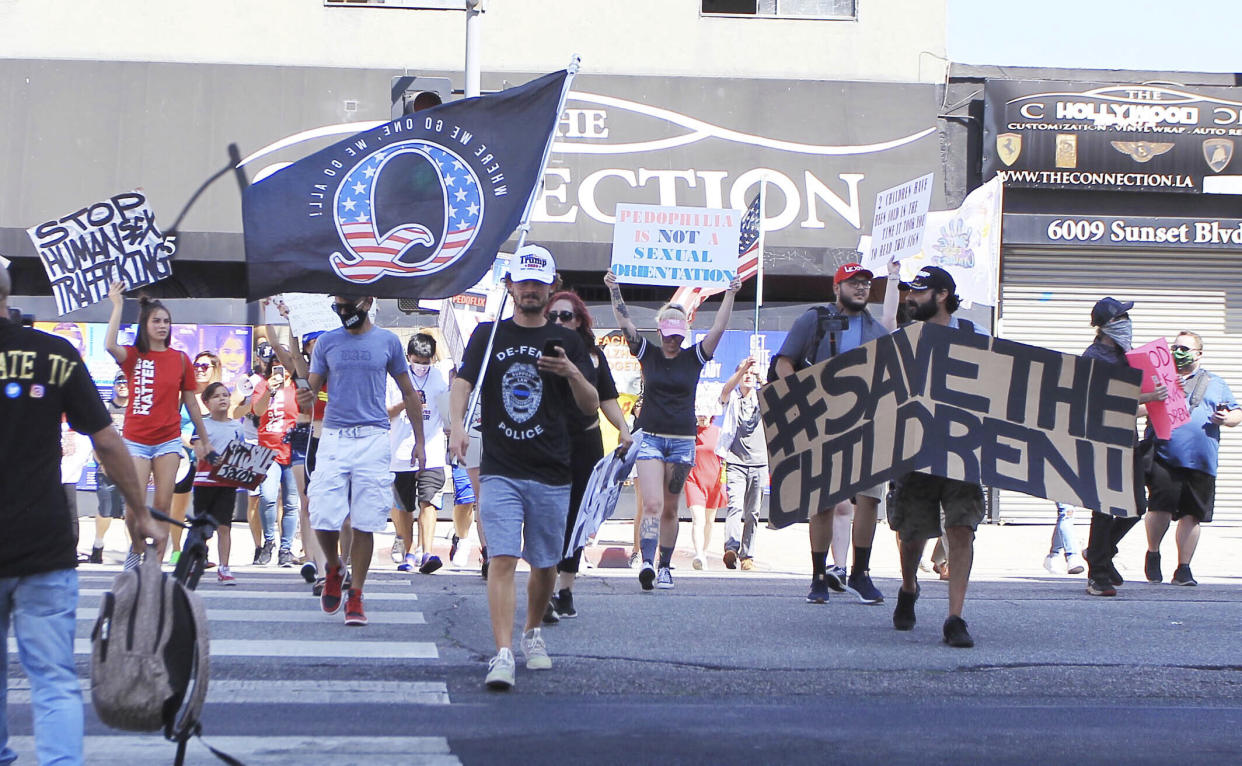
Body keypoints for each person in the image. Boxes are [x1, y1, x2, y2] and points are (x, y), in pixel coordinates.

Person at [0, 266, 163, 765]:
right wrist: (139, 511)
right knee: (52, 678)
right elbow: (108, 440)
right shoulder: (55, 355)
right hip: (44, 542)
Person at [449, 245, 599, 690]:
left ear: (551, 287)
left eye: (538, 282)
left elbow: (591, 405)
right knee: (502, 557)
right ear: (509, 285)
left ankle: (532, 631)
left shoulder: (569, 341)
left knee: (545, 563)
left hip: (553, 468)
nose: (530, 290)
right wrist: (457, 425)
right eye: (523, 281)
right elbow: (462, 382)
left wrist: (572, 371)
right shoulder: (487, 335)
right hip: (501, 466)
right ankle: (503, 652)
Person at [605, 270, 741, 591]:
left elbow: (719, 328)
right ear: (660, 330)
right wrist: (615, 290)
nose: (671, 339)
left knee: (670, 507)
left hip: (682, 443)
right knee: (651, 503)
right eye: (667, 332)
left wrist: (731, 293)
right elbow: (625, 324)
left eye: (677, 333)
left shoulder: (694, 358)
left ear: (684, 333)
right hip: (650, 437)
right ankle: (649, 563)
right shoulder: (648, 353)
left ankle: (665, 566)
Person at [773, 261, 899, 605]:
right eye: (853, 282)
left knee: (870, 500)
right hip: (824, 425)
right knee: (824, 502)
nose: (860, 288)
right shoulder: (813, 320)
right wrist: (799, 395)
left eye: (865, 283)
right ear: (836, 287)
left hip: (866, 425)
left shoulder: (878, 331)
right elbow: (784, 361)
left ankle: (860, 572)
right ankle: (817, 576)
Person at [295, 295, 425, 627]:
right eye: (338, 304)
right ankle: (335, 566)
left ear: (367, 302)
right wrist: (304, 395)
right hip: (335, 436)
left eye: (349, 303)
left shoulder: (388, 341)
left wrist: (420, 442)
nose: (343, 310)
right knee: (321, 513)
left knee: (365, 520)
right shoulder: (326, 342)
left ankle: (356, 594)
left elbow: (409, 392)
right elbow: (310, 389)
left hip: (373, 437)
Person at [887, 266, 988, 647]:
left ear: (942, 295)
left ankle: (955, 618)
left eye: (919, 292)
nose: (911, 298)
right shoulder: (902, 338)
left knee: (961, 528)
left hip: (963, 450)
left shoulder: (974, 338)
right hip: (915, 451)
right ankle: (909, 587)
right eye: (910, 292)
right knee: (911, 534)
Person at [104, 279, 214, 561]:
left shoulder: (180, 359)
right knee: (133, 508)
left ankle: (155, 561)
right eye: (156, 321)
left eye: (166, 321)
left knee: (163, 505)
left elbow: (191, 401)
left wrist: (203, 438)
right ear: (145, 324)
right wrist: (117, 306)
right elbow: (109, 345)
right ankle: (137, 551)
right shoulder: (133, 355)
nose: (163, 325)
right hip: (135, 441)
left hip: (168, 441)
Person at [545, 290, 633, 621]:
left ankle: (564, 589)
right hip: (548, 445)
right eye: (552, 316)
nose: (558, 322)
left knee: (577, 520)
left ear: (579, 319)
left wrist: (624, 429)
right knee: (551, 517)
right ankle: (547, 588)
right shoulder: (541, 349)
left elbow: (607, 397)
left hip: (585, 442)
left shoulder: (594, 355)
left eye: (565, 316)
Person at [1079, 298, 1166, 597]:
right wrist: (1146, 396)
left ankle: (1098, 551)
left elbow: (1135, 402)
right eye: (1121, 318)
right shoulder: (1093, 358)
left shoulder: (1128, 357)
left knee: (1136, 507)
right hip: (1103, 440)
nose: (1127, 323)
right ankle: (1098, 574)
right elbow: (1098, 401)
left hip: (1127, 440)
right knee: (1104, 507)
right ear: (1105, 326)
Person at [1143, 330, 1241, 586]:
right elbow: (1136, 409)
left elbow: (1236, 414)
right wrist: (1157, 395)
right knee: (1159, 507)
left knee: (1192, 515)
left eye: (1185, 348)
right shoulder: (1160, 379)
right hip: (1165, 455)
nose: (1178, 352)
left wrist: (1226, 419)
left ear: (1198, 354)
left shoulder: (1215, 382)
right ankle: (1153, 553)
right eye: (1175, 347)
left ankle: (1183, 569)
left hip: (1201, 459)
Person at [388, 333, 450, 575]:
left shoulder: (439, 377)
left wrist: (452, 430)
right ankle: (408, 552)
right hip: (401, 451)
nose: (422, 367)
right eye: (417, 361)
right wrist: (407, 401)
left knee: (429, 501)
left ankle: (427, 551)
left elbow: (446, 413)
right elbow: (386, 412)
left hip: (432, 450)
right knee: (404, 506)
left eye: (426, 362)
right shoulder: (395, 378)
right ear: (408, 357)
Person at [192, 382, 246, 584]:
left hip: (227, 484)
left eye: (225, 395)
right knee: (201, 526)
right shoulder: (203, 425)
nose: (222, 399)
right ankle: (197, 560)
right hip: (204, 482)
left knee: (225, 526)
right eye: (216, 396)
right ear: (206, 402)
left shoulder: (237, 427)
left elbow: (242, 456)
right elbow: (198, 449)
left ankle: (224, 567)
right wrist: (213, 456)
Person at [717, 357, 765, 570]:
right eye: (744, 373)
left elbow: (777, 396)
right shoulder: (733, 398)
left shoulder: (761, 398)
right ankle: (731, 548)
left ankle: (748, 555)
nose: (748, 376)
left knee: (753, 512)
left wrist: (761, 378)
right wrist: (742, 369)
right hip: (736, 461)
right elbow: (725, 391)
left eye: (750, 373)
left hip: (759, 462)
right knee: (735, 505)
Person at [252, 362, 301, 567]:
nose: (281, 369)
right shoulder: (263, 385)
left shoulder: (298, 388)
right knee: (267, 496)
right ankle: (269, 542)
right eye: (275, 365)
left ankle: (286, 549)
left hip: (292, 450)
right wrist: (269, 391)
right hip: (265, 450)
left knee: (291, 503)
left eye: (285, 365)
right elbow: (257, 410)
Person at [89, 372, 130, 563]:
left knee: (130, 511)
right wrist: (102, 463)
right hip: (107, 468)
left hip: (130, 467)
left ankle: (133, 551)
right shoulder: (105, 408)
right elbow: (95, 439)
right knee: (105, 510)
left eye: (126, 382)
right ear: (114, 385)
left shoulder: (136, 410)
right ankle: (98, 545)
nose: (123, 385)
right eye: (119, 382)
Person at [684, 406, 725, 571]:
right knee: (697, 519)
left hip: (714, 481)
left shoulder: (719, 432)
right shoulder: (689, 433)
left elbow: (726, 455)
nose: (702, 416)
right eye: (700, 412)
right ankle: (699, 554)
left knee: (709, 521)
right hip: (693, 480)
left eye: (706, 412)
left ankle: (704, 553)